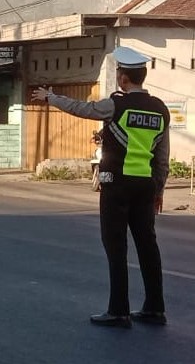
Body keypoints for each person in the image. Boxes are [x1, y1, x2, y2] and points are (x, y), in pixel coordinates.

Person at [31, 46, 170, 329]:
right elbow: (162, 158)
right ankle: (155, 308)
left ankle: (119, 311)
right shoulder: (160, 109)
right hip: (145, 185)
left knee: (116, 247)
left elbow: (82, 108)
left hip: (117, 185)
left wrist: (51, 97)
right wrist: (159, 191)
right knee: (148, 246)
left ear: (123, 80)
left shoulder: (115, 105)